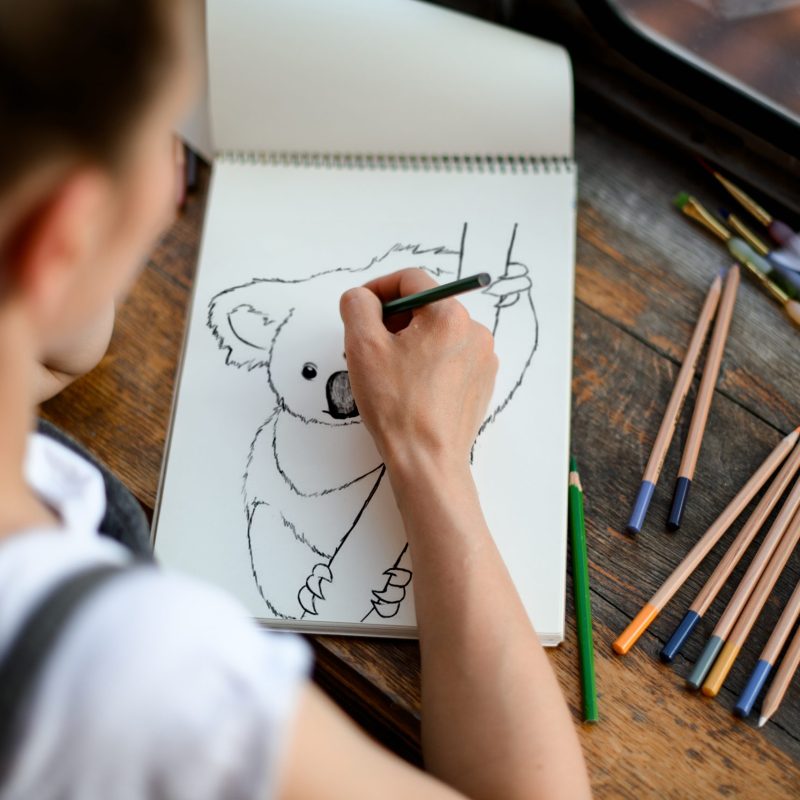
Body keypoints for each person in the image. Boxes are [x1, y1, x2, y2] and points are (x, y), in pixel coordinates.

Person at [0, 1, 592, 798]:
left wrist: (67, 276)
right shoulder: (145, 685)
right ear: (62, 232)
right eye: (170, 141)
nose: (179, 174)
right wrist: (430, 454)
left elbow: (61, 348)